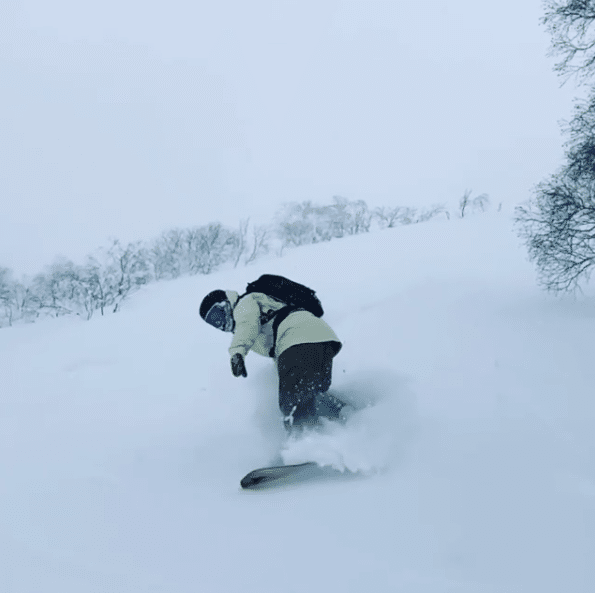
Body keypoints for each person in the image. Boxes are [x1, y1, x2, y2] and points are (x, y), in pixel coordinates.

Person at [199, 285, 347, 432]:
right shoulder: (257, 317)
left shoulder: (244, 304)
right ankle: (349, 417)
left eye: (218, 315)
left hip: (299, 337)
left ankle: (305, 445)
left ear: (226, 304)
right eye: (214, 322)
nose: (221, 323)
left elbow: (247, 325)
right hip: (320, 339)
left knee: (292, 403)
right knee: (312, 397)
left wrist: (237, 352)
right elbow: (280, 354)